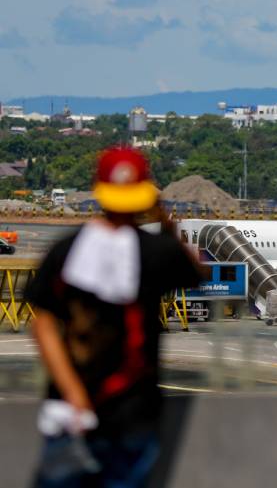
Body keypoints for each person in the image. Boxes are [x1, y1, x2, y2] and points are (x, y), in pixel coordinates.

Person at [27, 146, 205, 487]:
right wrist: (164, 218)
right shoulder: (157, 253)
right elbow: (196, 273)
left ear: (99, 190)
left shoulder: (65, 249)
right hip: (133, 412)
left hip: (69, 411)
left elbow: (42, 324)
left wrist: (74, 393)